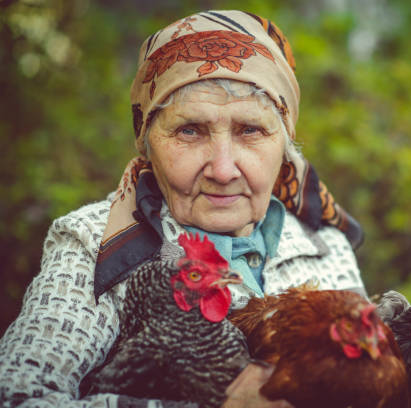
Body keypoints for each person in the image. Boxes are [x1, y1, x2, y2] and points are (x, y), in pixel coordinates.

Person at [0, 10, 366, 408]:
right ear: (147, 142)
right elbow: (19, 397)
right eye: (189, 130)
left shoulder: (325, 246)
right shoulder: (92, 244)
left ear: (286, 145)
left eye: (251, 130)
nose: (223, 170)